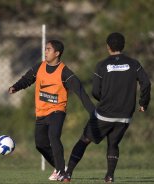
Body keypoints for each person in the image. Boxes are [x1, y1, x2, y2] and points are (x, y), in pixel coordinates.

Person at [63, 32, 151, 183]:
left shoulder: (102, 65)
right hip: (124, 115)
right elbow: (146, 83)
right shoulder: (134, 64)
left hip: (104, 114)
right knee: (113, 143)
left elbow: (95, 92)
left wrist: (104, 99)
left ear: (108, 47)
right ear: (123, 46)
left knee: (84, 140)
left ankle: (68, 174)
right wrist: (143, 103)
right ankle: (109, 176)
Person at [8, 40, 94, 181]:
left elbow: (80, 92)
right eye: (45, 49)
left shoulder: (65, 72)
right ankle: (60, 167)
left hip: (57, 111)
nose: (45, 52)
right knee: (40, 144)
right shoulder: (39, 67)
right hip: (41, 113)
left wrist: (93, 113)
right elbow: (27, 79)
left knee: (53, 136)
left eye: (48, 49)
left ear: (57, 53)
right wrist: (15, 87)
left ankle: (61, 172)